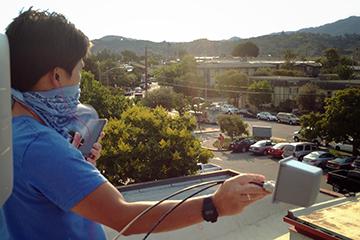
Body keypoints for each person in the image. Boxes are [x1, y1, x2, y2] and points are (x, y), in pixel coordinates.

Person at [0, 9, 269, 240]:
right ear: (57, 75)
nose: (80, 81)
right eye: (80, 71)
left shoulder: (12, 128)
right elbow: (124, 217)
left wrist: (75, 164)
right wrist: (216, 204)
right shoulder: (41, 147)